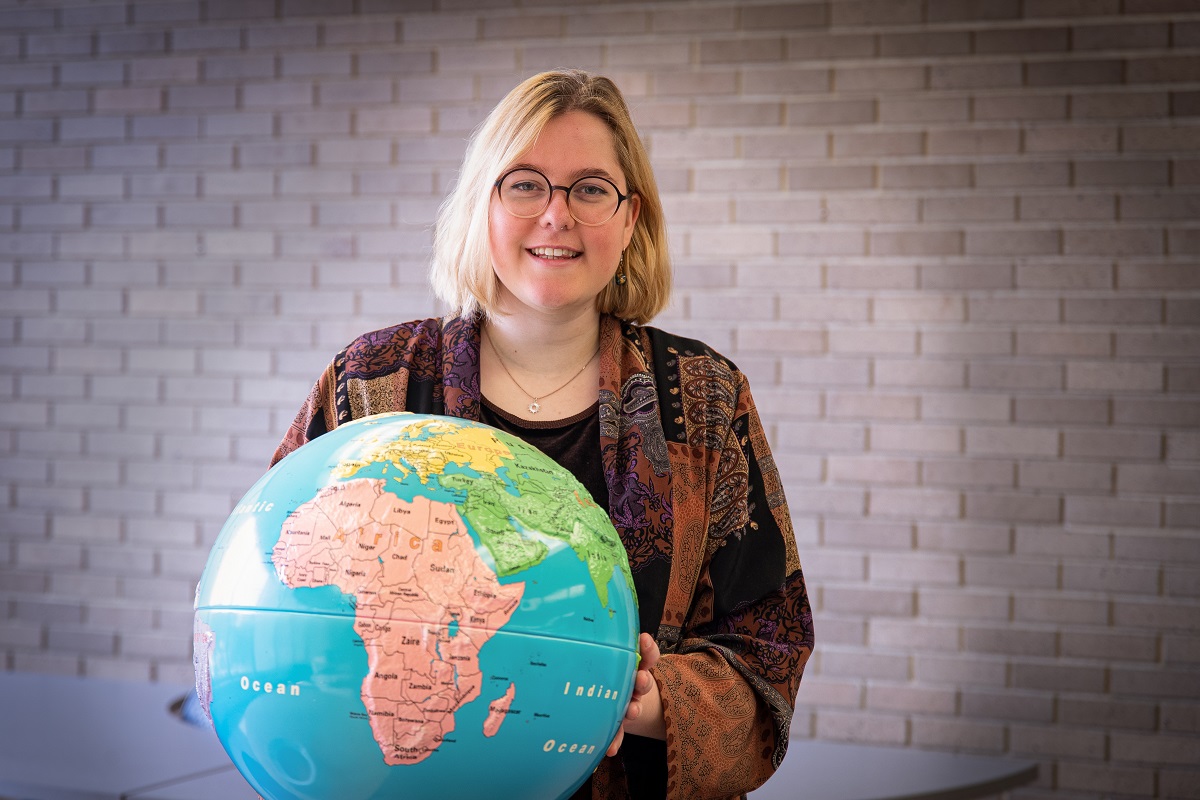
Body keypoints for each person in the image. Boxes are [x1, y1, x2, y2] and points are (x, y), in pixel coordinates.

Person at [271, 69, 814, 800]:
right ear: (480, 208)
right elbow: (273, 584)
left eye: (590, 188)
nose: (556, 215)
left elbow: (771, 644)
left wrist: (659, 705)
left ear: (630, 220)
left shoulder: (707, 397)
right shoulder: (370, 386)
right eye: (524, 184)